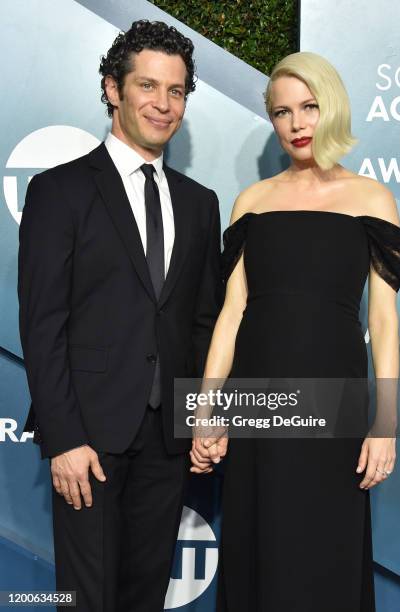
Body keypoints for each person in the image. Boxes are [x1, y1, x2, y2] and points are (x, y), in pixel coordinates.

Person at [18, 20, 222, 612]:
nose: (163, 104)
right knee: (82, 599)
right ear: (113, 88)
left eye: (177, 91)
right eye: (148, 86)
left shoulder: (199, 202)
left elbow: (204, 323)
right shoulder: (60, 191)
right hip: (88, 440)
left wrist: (208, 416)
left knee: (144, 597)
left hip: (167, 441)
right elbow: (42, 323)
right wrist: (64, 439)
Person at [190, 51, 400, 611]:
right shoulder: (251, 204)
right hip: (258, 404)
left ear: (330, 107)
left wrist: (385, 423)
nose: (296, 124)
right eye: (282, 112)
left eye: (308, 107)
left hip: (335, 408)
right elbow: (231, 315)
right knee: (258, 546)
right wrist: (207, 412)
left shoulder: (372, 199)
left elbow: (383, 321)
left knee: (322, 554)